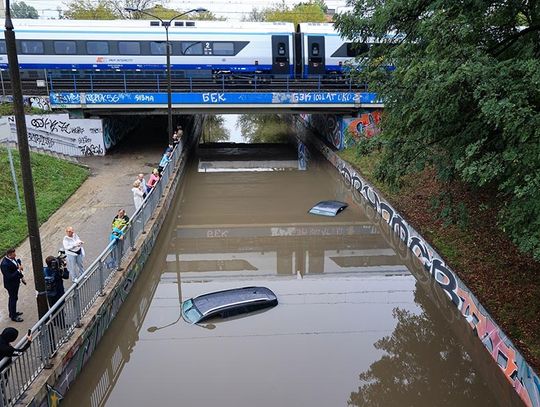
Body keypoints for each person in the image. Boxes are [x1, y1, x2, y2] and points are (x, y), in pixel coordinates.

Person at [0, 249, 26, 322]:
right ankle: (13, 316)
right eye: (14, 254)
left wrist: (21, 276)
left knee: (14, 298)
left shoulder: (12, 258)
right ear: (9, 255)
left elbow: (16, 265)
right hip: (11, 285)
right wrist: (18, 270)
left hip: (15, 282)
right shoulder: (4, 264)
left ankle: (13, 312)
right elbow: (9, 276)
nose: (15, 255)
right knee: (13, 299)